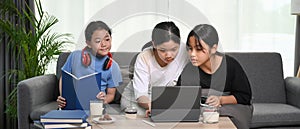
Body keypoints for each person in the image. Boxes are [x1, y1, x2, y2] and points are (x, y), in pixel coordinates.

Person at [177, 24, 252, 129]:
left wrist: (220, 100)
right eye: (190, 48)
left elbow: (244, 96)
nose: (192, 54)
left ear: (213, 48)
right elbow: (178, 97)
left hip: (231, 107)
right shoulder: (189, 70)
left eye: (198, 49)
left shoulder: (231, 65)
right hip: (203, 109)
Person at [120, 21, 189, 115]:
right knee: (141, 115)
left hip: (163, 99)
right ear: (154, 44)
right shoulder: (144, 57)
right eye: (163, 50)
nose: (169, 55)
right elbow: (141, 95)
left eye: (174, 49)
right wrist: (153, 107)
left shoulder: (186, 51)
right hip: (137, 98)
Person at [57, 21, 122, 109]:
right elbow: (64, 78)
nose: (103, 44)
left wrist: (104, 100)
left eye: (107, 39)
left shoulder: (113, 66)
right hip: (73, 103)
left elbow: (111, 94)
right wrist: (63, 97)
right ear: (88, 43)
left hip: (96, 106)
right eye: (98, 41)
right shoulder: (75, 56)